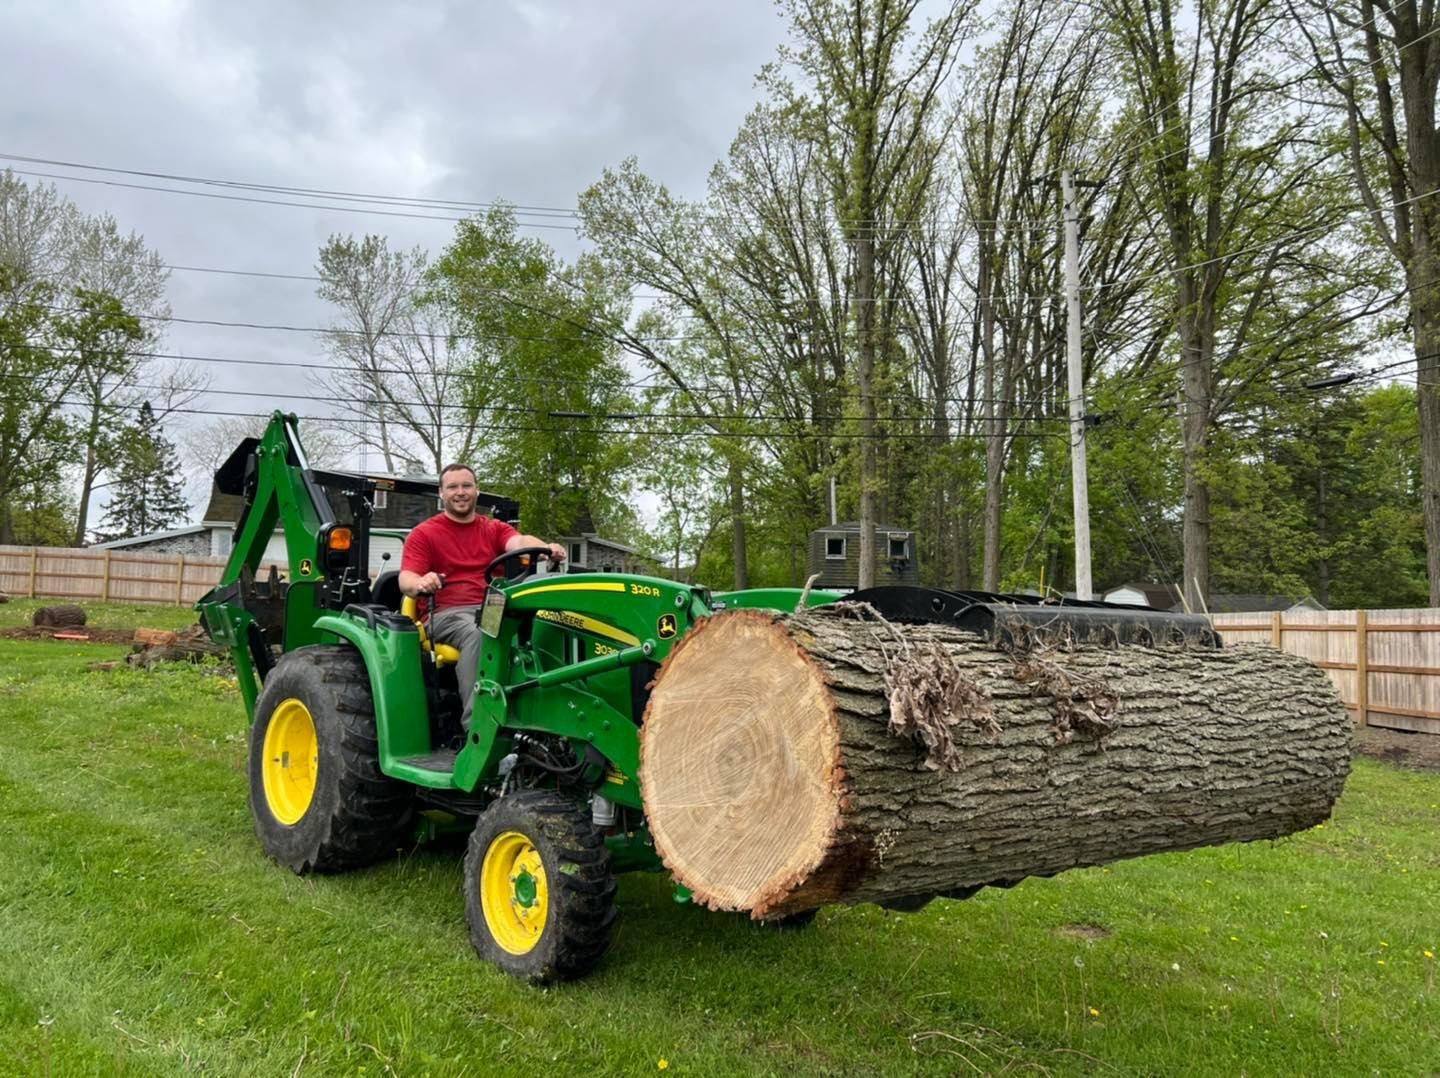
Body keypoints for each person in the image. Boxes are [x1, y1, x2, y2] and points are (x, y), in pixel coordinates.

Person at [399, 463, 565, 730]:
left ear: (477, 491)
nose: (460, 492)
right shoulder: (424, 534)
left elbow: (519, 543)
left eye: (466, 486)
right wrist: (421, 581)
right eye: (452, 487)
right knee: (480, 632)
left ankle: (551, 719)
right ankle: (478, 728)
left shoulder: (493, 529)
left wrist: (544, 547)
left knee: (550, 624)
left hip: (494, 607)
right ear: (442, 493)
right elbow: (406, 580)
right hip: (446, 613)